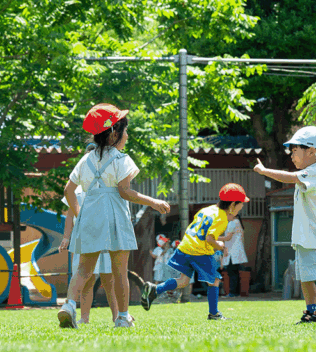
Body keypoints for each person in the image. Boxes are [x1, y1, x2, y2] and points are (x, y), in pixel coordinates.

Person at [57, 104, 171, 329]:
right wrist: (154, 202)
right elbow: (125, 191)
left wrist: (79, 214)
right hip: (114, 215)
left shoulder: (85, 160)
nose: (127, 135)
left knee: (83, 269)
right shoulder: (121, 159)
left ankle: (69, 305)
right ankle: (122, 317)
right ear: (115, 133)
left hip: (90, 213)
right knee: (120, 270)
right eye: (125, 131)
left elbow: (68, 191)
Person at [254, 126, 316, 323]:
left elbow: (290, 178)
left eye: (295, 150)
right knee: (306, 277)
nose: (291, 155)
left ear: (311, 151)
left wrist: (264, 171)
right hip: (305, 237)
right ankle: (311, 312)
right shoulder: (309, 173)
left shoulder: (315, 172)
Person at [141, 183, 249, 321]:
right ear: (233, 205)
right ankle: (214, 314)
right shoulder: (222, 218)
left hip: (185, 247)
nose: (242, 207)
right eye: (241, 204)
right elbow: (210, 238)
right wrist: (220, 245)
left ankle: (155, 289)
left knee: (183, 280)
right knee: (214, 280)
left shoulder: (207, 210)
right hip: (199, 251)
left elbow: (197, 230)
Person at [58, 184, 119, 325]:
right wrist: (66, 237)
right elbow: (69, 216)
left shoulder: (106, 186)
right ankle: (84, 318)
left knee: (109, 280)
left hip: (105, 237)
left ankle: (117, 316)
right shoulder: (77, 191)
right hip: (85, 238)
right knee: (87, 280)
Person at [220, 215, 248, 297]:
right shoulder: (238, 223)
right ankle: (236, 293)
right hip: (237, 251)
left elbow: (227, 238)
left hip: (232, 251)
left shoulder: (232, 223)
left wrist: (214, 238)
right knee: (235, 272)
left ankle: (233, 293)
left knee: (231, 272)